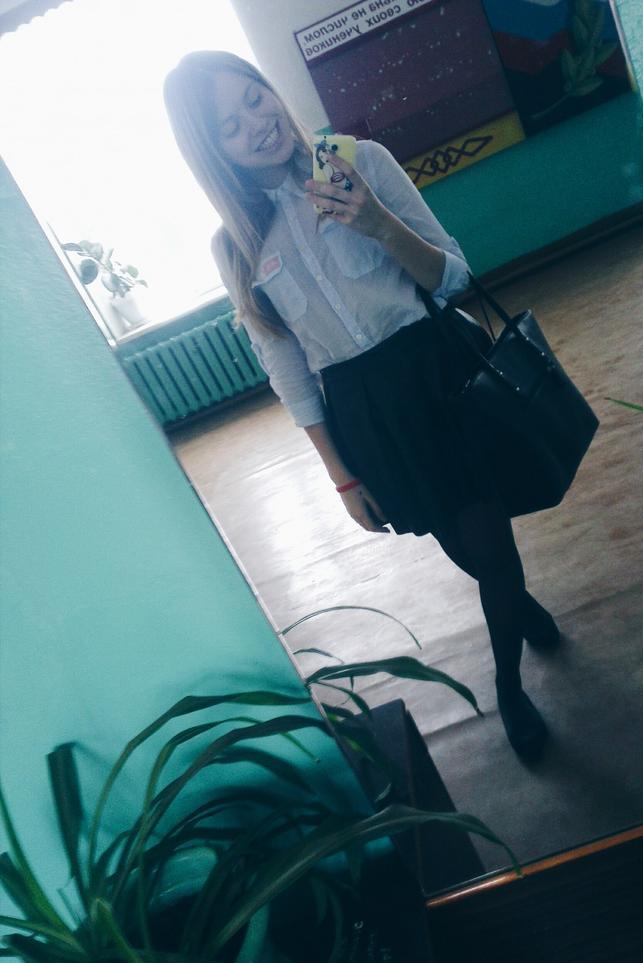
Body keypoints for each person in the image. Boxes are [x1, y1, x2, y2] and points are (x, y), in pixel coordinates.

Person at [163, 50, 561, 761]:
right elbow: (289, 371)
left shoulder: (362, 163)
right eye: (230, 125)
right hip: (366, 411)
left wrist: (377, 222)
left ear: (269, 90)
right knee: (458, 542)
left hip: (439, 371)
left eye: (253, 98)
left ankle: (509, 687)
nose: (256, 123)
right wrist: (341, 477)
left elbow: (453, 278)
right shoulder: (237, 247)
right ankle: (522, 608)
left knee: (488, 542)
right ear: (212, 152)